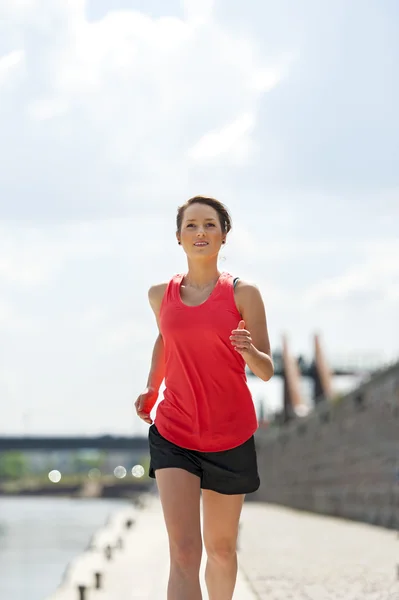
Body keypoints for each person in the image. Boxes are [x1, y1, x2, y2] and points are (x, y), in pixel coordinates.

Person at [134, 196, 273, 600]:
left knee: (222, 550)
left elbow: (266, 370)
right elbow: (165, 340)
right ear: (178, 237)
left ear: (224, 235)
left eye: (210, 225)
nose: (200, 232)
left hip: (229, 435)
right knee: (184, 551)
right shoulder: (161, 294)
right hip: (174, 431)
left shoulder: (244, 294)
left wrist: (247, 351)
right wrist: (151, 388)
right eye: (191, 225)